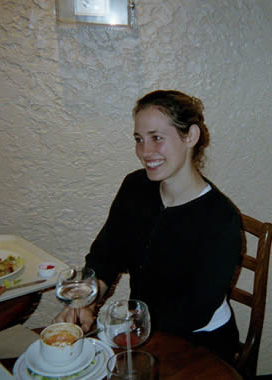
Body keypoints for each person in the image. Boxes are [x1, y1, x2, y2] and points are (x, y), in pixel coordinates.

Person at [54, 89, 243, 361]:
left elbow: (195, 310)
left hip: (199, 343)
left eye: (157, 138)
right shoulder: (135, 187)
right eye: (139, 139)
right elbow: (106, 255)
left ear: (190, 136)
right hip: (140, 328)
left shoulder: (220, 219)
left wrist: (125, 328)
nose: (145, 152)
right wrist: (86, 300)